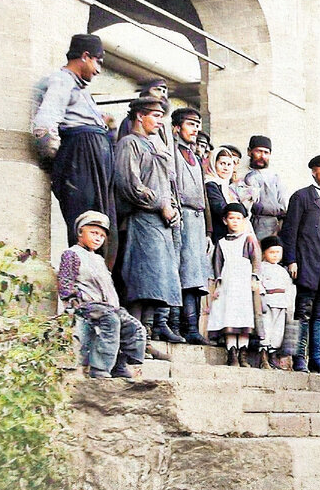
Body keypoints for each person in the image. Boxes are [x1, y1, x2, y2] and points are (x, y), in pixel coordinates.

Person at [31, 33, 117, 265]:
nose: (98, 70)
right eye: (98, 62)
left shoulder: (81, 89)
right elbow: (44, 125)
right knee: (86, 225)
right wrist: (62, 161)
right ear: (85, 56)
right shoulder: (62, 80)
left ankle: (97, 277)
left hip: (93, 161)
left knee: (102, 227)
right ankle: (80, 279)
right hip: (81, 160)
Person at [112, 94, 183, 341]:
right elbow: (129, 185)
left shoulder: (156, 145)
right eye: (155, 116)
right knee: (140, 283)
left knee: (157, 284)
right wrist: (161, 204)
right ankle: (133, 338)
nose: (160, 121)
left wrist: (172, 207)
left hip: (161, 224)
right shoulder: (129, 144)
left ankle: (146, 336)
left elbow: (167, 183)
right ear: (140, 116)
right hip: (140, 221)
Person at [57, 210, 145, 379]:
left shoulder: (98, 259)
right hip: (86, 305)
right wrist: (75, 302)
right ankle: (99, 368)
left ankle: (120, 364)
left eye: (102, 236)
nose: (98, 238)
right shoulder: (72, 254)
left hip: (107, 307)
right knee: (110, 321)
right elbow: (65, 284)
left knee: (132, 325)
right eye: (93, 233)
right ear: (80, 232)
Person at [279, 154, 320, 373]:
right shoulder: (301, 197)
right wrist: (291, 260)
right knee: (303, 313)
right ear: (314, 172)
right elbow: (290, 231)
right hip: (307, 265)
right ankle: (299, 358)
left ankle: (316, 357)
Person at [170, 108, 212, 345]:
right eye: (190, 124)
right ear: (176, 128)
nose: (195, 129)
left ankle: (193, 328)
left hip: (197, 220)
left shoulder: (195, 158)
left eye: (197, 124)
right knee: (182, 273)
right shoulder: (173, 153)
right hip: (182, 216)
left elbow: (203, 196)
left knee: (196, 277)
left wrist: (208, 230)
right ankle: (178, 325)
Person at [206, 202, 262, 367]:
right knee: (229, 315)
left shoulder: (248, 239)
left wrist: (254, 278)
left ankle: (243, 353)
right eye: (232, 218)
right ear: (225, 220)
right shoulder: (222, 243)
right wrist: (218, 284)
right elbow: (217, 264)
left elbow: (256, 259)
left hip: (244, 283)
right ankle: (232, 353)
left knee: (243, 316)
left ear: (244, 220)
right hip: (228, 283)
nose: (235, 221)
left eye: (239, 218)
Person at [256, 235, 295, 370]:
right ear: (264, 253)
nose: (275, 255)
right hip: (268, 302)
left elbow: (289, 288)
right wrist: (261, 298)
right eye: (271, 252)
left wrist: (289, 304)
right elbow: (258, 283)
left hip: (281, 303)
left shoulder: (283, 271)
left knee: (278, 331)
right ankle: (263, 357)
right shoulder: (261, 268)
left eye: (278, 252)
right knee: (266, 328)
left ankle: (273, 355)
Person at [243, 135, 287, 240]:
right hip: (253, 224)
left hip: (275, 224)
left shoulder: (275, 177)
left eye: (266, 153)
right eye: (258, 151)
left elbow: (283, 204)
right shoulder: (243, 176)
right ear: (249, 152)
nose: (262, 156)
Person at [205, 145, 248, 247]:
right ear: (214, 164)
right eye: (222, 164)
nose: (225, 168)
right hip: (218, 231)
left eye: (229, 164)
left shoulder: (226, 185)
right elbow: (220, 207)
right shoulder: (211, 184)